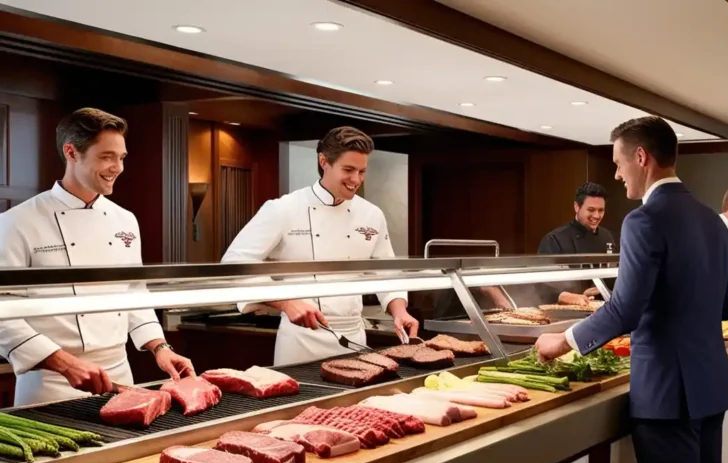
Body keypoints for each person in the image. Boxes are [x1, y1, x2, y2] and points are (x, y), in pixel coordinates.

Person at [535, 116, 728, 463]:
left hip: (667, 393)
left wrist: (564, 340)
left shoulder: (643, 219)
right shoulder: (713, 220)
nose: (616, 173)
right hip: (709, 385)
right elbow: (727, 306)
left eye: (618, 162)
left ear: (641, 157)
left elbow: (626, 309)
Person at [0, 107, 195, 406]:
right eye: (106, 157)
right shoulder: (18, 222)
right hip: (51, 382)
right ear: (71, 153)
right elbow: (3, 311)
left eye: (121, 157)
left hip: (119, 375)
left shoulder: (125, 220)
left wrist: (160, 347)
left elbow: (133, 292)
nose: (117, 167)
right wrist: (64, 363)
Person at [221, 126, 419, 366]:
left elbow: (387, 271)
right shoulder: (283, 209)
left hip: (354, 336)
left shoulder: (371, 214)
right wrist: (285, 302)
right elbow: (234, 266)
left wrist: (399, 310)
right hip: (302, 340)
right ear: (324, 161)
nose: (356, 180)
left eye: (362, 171)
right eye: (348, 170)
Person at [537, 182, 617, 306]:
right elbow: (541, 283)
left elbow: (614, 275)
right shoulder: (554, 239)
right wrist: (567, 296)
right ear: (577, 207)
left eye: (601, 210)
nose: (596, 215)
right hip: (568, 312)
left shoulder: (607, 237)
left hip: (604, 308)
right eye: (591, 210)